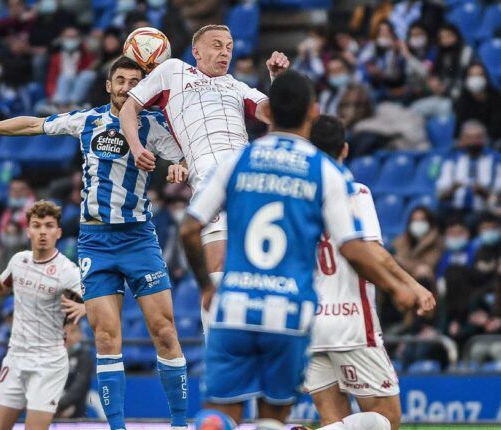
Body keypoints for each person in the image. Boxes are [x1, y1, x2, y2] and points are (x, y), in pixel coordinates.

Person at [179, 71, 435, 430]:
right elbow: (354, 249)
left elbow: (190, 229)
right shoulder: (325, 172)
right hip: (289, 309)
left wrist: (207, 285)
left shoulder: (236, 161)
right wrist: (398, 287)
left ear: (267, 111)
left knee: (221, 413)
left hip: (235, 305)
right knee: (278, 415)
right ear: (312, 111)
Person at [0, 56, 190, 430]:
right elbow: (32, 125)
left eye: (133, 81)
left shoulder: (152, 125)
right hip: (96, 242)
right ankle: (117, 427)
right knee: (106, 338)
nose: (125, 87)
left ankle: (180, 423)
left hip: (138, 237)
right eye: (119, 80)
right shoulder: (87, 120)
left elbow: (186, 152)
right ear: (108, 85)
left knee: (165, 332)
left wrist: (180, 164)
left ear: (142, 88)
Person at [120, 24, 290, 322]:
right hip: (212, 187)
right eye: (216, 45)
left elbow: (277, 117)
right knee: (217, 274)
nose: (224, 51)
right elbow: (128, 109)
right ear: (196, 52)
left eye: (229, 46)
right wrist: (136, 148)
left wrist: (277, 79)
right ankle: (217, 357)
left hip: (252, 183)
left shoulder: (238, 87)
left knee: (264, 274)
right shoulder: (173, 71)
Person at [305, 115, 425, 430]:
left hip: (306, 323)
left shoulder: (296, 197)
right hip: (350, 322)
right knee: (387, 418)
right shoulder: (354, 192)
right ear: (344, 149)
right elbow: (371, 250)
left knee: (335, 419)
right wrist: (411, 285)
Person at [0, 200, 86, 430]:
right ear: (28, 231)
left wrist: (85, 308)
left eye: (49, 225)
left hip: (49, 363)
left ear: (59, 232)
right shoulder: (18, 261)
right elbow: (2, 284)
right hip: (16, 358)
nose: (43, 231)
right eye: (37, 225)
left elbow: (98, 299)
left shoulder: (68, 271)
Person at [57, 321, 94, 419]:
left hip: (76, 417)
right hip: (49, 415)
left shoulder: (84, 356)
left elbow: (79, 386)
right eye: (64, 333)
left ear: (81, 333)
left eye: (73, 331)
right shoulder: (52, 357)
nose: (68, 336)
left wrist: (58, 406)